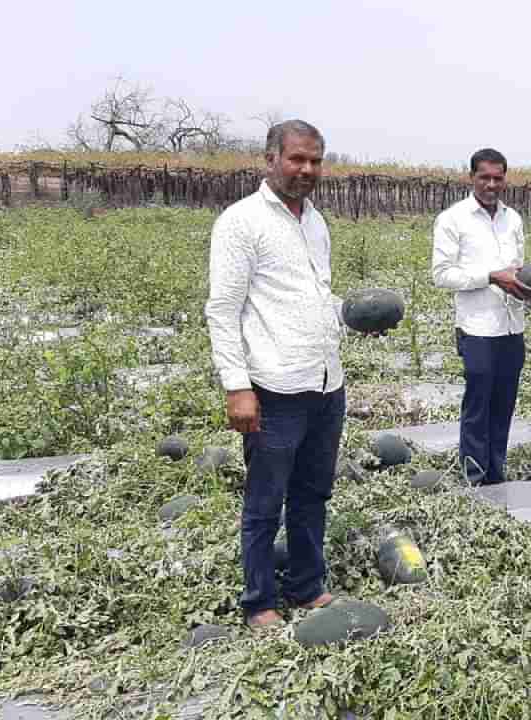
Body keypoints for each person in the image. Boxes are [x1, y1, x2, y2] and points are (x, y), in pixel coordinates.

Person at [205, 120, 357, 628]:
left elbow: (317, 296)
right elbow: (223, 310)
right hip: (273, 387)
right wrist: (237, 385)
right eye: (296, 159)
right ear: (270, 159)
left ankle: (307, 586)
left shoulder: (316, 222)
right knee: (265, 501)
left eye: (315, 160)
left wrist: (350, 316)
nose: (307, 169)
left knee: (314, 493)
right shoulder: (240, 222)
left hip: (325, 382)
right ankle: (259, 602)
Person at [432, 148, 531, 486]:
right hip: (476, 328)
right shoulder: (453, 219)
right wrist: (491, 276)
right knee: (478, 405)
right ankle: (474, 477)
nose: (491, 184)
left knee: (503, 404)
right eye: (484, 177)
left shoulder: (513, 219)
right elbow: (442, 274)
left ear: (505, 178)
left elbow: (517, 269)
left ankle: (496, 474)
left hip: (512, 325)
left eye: (498, 178)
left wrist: (527, 286)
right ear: (471, 177)